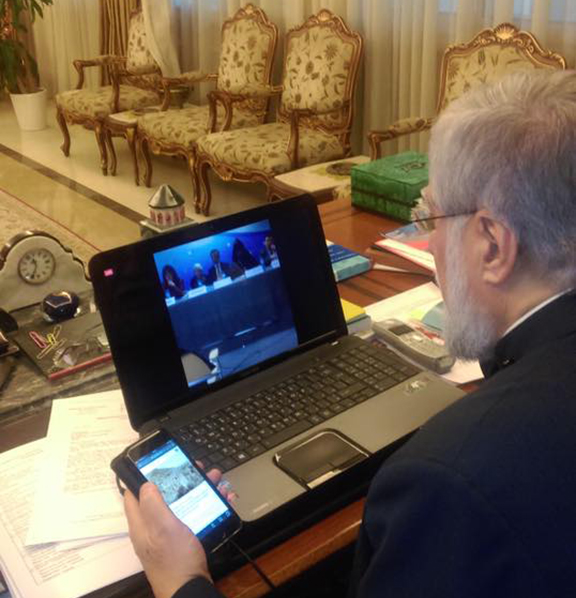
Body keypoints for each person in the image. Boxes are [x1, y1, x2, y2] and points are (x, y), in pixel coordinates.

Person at [124, 70, 576, 598]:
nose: (429, 246)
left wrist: (182, 581)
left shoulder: (445, 481)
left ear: (493, 247)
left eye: (429, 218)